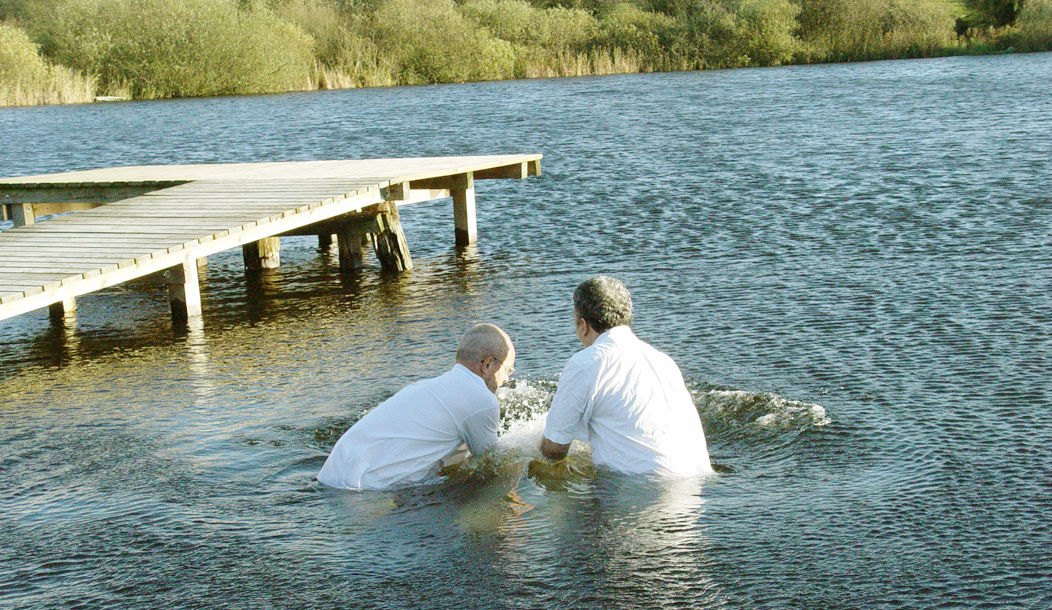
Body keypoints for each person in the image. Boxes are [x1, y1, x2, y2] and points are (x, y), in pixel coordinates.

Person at [540, 276, 714, 477]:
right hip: (695, 489)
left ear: (583, 324)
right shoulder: (664, 361)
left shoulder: (586, 363)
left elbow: (554, 449)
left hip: (641, 488)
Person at [317, 323, 515, 490]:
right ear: (488, 364)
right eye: (508, 370)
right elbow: (490, 463)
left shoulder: (425, 388)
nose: (506, 379)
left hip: (330, 475)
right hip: (368, 490)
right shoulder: (480, 399)